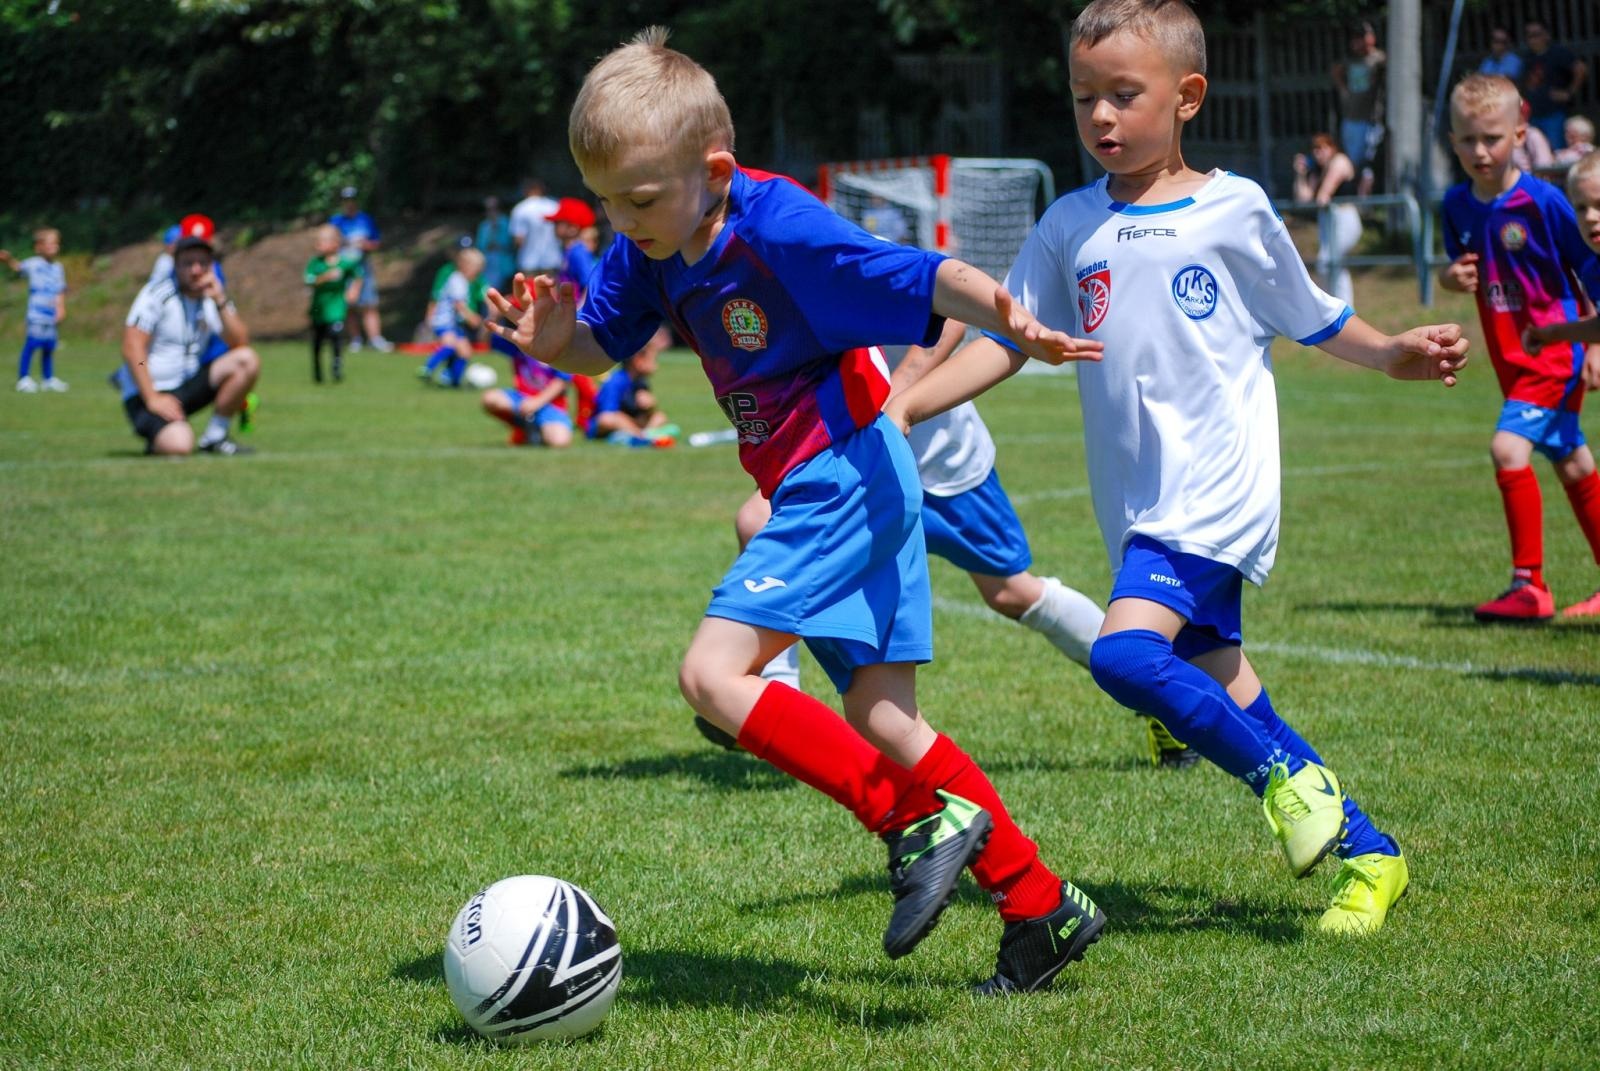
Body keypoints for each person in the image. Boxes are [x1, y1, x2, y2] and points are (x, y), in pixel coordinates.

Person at [488, 26, 1109, 994]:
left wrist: (1007, 310)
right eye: (607, 201)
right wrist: (554, 340)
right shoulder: (653, 246)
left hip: (843, 473)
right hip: (848, 478)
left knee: (711, 675)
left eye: (639, 200)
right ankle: (1039, 905)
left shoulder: (780, 229)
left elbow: (915, 274)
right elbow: (598, 346)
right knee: (883, 715)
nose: (624, 220)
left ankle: (910, 821)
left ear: (716, 168)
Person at [892, 0, 1471, 936]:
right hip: (1139, 506)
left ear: (1187, 95)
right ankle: (1370, 853)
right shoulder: (1070, 224)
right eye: (1086, 99)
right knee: (1221, 678)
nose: (1102, 118)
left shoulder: (1232, 208)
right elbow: (1014, 338)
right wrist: (904, 408)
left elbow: (1315, 313)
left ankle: (1289, 784)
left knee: (1126, 655)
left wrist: (1395, 350)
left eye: (1125, 95)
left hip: (1215, 491)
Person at [701, 318, 1135, 761]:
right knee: (756, 520)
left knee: (1011, 592)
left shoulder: (861, 253)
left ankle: (1143, 678)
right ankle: (776, 700)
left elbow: (949, 316)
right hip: (852, 464)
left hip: (940, 466)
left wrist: (898, 392)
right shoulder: (775, 267)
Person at [1441, 77, 1600, 622]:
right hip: (1512, 356)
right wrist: (1449, 279)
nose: (1479, 151)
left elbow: (1588, 268)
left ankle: (1528, 585)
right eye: (1466, 140)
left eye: (1492, 138)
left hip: (1554, 352)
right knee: (1573, 462)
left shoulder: (1546, 202)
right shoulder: (1456, 205)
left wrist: (1595, 344)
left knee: (1508, 450)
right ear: (1452, 140)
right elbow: (1459, 268)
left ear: (1520, 133)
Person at [1521, 149, 1600, 618]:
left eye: (1599, 205)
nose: (1591, 217)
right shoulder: (1590, 267)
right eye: (1582, 207)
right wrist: (1556, 334)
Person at [115, 230, 260, 456]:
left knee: (247, 360)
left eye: (202, 263)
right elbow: (133, 348)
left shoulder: (212, 297)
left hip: (185, 388)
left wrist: (221, 301)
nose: (196, 270)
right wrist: (152, 397)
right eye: (188, 263)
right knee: (179, 445)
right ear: (176, 266)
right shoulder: (157, 294)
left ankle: (215, 437)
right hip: (149, 393)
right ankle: (161, 435)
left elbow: (239, 342)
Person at [548, 196, 603, 429]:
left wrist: (579, 311)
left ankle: (592, 412)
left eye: (558, 222)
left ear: (572, 227)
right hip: (569, 316)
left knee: (573, 367)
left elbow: (592, 281)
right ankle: (585, 416)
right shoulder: (569, 251)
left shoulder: (578, 252)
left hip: (578, 318)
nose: (553, 227)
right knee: (573, 367)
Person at [1293, 132, 1362, 306]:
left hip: (1345, 217)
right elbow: (1303, 199)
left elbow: (1323, 196)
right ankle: (1336, 306)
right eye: (1315, 149)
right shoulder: (1319, 170)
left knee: (1328, 261)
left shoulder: (1339, 161)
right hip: (1328, 221)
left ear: (1332, 148)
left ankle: (1342, 308)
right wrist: (1301, 174)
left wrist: (1317, 183)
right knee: (1332, 263)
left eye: (1323, 148)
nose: (1318, 153)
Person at [1, 227, 68, 393]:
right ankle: (24, 378)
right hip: (36, 314)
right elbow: (18, 267)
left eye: (56, 244)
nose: (55, 247)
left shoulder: (58, 268)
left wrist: (60, 308)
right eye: (50, 243)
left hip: (50, 314)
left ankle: (48, 379)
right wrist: (8, 259)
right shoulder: (33, 263)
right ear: (39, 247)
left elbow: (60, 290)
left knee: (49, 346)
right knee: (32, 344)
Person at [586, 326, 676, 446]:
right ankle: (641, 436)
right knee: (608, 419)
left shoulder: (641, 381)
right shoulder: (616, 381)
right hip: (605, 424)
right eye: (652, 359)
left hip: (631, 422)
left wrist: (650, 406)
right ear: (638, 361)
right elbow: (607, 415)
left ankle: (639, 435)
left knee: (659, 417)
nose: (656, 365)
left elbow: (642, 412)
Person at [480, 338, 574, 449]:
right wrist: (494, 320)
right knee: (490, 399)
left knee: (560, 442)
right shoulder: (520, 344)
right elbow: (486, 339)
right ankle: (524, 428)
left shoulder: (560, 348)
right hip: (521, 399)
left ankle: (537, 432)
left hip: (551, 406)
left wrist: (536, 402)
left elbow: (561, 382)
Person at [330, 186, 392, 352]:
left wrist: (365, 245)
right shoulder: (336, 221)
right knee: (349, 305)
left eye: (352, 199)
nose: (349, 203)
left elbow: (376, 242)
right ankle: (355, 339)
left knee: (369, 303)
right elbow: (330, 242)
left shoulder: (365, 219)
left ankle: (375, 338)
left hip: (363, 266)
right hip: (345, 268)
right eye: (346, 200)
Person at [1331, 21, 1385, 196]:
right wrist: (1343, 90)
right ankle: (1352, 200)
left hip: (1370, 121)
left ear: (1371, 38)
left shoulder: (1379, 60)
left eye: (1362, 37)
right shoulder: (1349, 61)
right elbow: (1336, 70)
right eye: (1355, 38)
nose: (1358, 42)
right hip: (1350, 119)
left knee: (1367, 165)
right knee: (1351, 163)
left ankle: (1364, 203)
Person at [419, 247, 485, 387]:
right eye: (476, 269)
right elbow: (459, 305)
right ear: (464, 266)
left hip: (453, 324)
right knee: (450, 345)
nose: (478, 274)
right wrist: (472, 318)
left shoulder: (464, 281)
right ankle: (427, 368)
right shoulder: (457, 280)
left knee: (465, 352)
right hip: (443, 321)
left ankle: (453, 381)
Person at [304, 223, 361, 384]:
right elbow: (309, 281)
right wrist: (325, 277)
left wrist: (354, 291)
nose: (317, 245)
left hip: (336, 308)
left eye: (322, 241)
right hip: (319, 309)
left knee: (336, 336)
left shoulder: (344, 263)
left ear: (335, 244)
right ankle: (317, 372)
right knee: (318, 342)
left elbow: (358, 275)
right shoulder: (315, 263)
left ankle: (336, 366)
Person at [1520, 20, 1588, 151]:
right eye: (1529, 35)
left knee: (1558, 153)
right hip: (1533, 115)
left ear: (1546, 35)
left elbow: (1581, 69)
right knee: (1535, 155)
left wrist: (1569, 92)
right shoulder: (1527, 57)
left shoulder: (1558, 53)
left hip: (1554, 115)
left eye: (1536, 34)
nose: (1533, 39)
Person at [509, 177, 563, 281]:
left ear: (526, 190)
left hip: (528, 260)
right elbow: (560, 233)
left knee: (531, 294)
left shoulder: (520, 208)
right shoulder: (554, 205)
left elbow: (518, 239)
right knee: (552, 294)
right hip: (552, 258)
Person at [474, 196, 515, 294]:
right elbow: (480, 245)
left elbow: (511, 243)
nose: (491, 212)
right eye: (488, 209)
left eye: (494, 208)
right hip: (487, 264)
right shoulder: (484, 225)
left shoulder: (506, 223)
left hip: (504, 264)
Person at [1512, 97, 1558, 174]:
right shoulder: (1506, 136)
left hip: (1530, 183)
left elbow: (1544, 166)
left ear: (1522, 115)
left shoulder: (1533, 135)